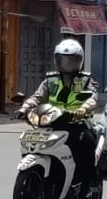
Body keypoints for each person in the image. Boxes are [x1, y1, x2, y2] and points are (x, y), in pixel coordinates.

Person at [15, 38, 100, 189]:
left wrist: (83, 109)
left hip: (76, 123)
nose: (67, 64)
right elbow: (37, 97)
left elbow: (93, 98)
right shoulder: (50, 81)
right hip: (51, 121)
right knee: (33, 142)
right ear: (57, 60)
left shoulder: (85, 81)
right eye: (63, 60)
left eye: (71, 60)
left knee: (86, 144)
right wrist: (24, 108)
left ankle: (88, 183)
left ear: (78, 61)